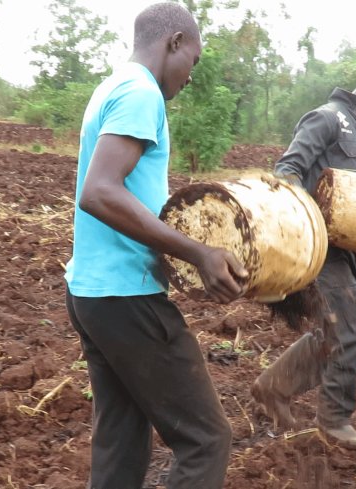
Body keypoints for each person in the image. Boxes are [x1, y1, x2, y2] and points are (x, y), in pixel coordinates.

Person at [63, 3, 248, 488]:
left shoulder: (114, 85)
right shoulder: (141, 92)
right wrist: (197, 252)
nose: (190, 76)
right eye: (195, 60)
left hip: (93, 294)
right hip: (127, 295)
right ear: (175, 43)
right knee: (206, 440)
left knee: (121, 446)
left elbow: (121, 188)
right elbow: (100, 191)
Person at [251, 57, 356, 452]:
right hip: (318, 249)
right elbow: (286, 171)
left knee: (336, 333)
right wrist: (302, 220)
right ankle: (334, 419)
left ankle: (273, 386)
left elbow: (354, 200)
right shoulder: (327, 118)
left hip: (345, 252)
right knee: (353, 332)